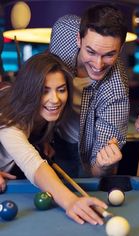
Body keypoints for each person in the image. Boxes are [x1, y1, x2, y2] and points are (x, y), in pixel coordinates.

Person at [0, 52, 107, 225]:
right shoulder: (8, 119)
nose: (55, 99)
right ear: (30, 91)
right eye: (44, 91)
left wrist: (41, 141)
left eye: (61, 90)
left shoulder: (41, 112)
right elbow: (32, 164)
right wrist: (70, 201)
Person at [49, 3, 129, 177]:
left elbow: (97, 169)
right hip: (47, 137)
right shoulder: (63, 30)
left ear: (120, 49)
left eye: (109, 55)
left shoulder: (116, 91)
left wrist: (103, 165)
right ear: (78, 39)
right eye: (91, 52)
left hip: (83, 150)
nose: (98, 65)